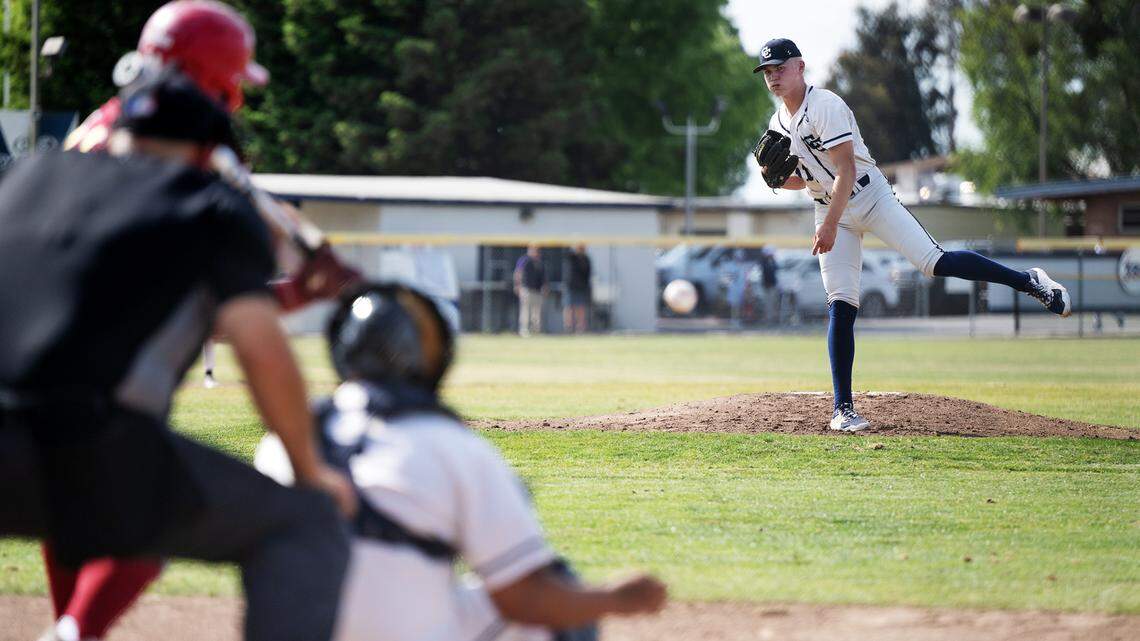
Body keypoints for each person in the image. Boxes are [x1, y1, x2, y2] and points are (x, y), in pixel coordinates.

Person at [0, 69, 354, 641]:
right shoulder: (211, 204)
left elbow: (136, 298)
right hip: (78, 440)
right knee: (300, 522)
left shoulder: (31, 176)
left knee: (143, 510)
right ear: (209, 151)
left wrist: (292, 294)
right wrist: (311, 470)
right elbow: (259, 348)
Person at [254, 282, 668, 641]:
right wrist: (619, 599)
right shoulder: (450, 444)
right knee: (556, 597)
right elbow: (526, 598)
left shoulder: (281, 441)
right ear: (428, 358)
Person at [48, 3, 274, 639]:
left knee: (70, 509)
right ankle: (74, 631)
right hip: (99, 372)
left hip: (38, 351)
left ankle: (70, 627)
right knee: (164, 505)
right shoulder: (180, 145)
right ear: (214, 79)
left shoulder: (96, 126)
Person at [753, 38, 1071, 432]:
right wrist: (781, 181)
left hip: (870, 196)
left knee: (935, 263)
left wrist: (831, 225)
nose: (773, 77)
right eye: (767, 72)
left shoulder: (826, 106)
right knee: (841, 303)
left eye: (780, 68)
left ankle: (1030, 281)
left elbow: (846, 171)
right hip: (828, 206)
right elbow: (808, 180)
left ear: (800, 67)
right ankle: (843, 408)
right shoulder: (777, 124)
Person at [514, 244, 547, 337]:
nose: (536, 252)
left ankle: (535, 330)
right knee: (525, 310)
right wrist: (517, 285)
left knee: (536, 312)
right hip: (526, 289)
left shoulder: (540, 262)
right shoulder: (524, 260)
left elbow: (543, 277)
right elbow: (518, 272)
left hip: (537, 290)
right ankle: (524, 330)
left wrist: (544, 287)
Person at [563, 245, 592, 334]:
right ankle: (568, 327)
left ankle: (580, 328)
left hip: (582, 287)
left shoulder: (586, 259)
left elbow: (588, 273)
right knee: (569, 307)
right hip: (571, 286)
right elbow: (565, 253)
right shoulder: (571, 256)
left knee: (581, 308)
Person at [759, 246, 780, 324]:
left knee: (773, 303)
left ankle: (773, 318)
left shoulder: (772, 262)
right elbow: (765, 270)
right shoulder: (763, 262)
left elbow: (776, 268)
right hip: (766, 285)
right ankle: (768, 319)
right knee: (767, 303)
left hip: (772, 285)